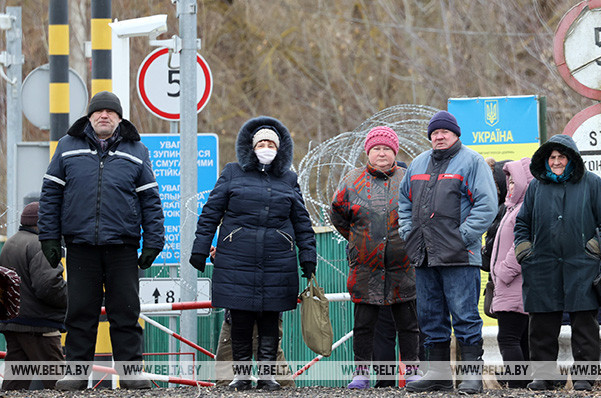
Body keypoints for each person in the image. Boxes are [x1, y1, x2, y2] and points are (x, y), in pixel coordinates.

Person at [38, 91, 164, 390]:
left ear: (119, 118)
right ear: (89, 116)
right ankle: (76, 373)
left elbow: (150, 200)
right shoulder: (67, 147)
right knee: (80, 312)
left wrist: (154, 241)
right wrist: (49, 237)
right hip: (81, 246)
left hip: (122, 246)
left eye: (110, 112)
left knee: (126, 313)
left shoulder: (137, 150)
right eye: (98, 111)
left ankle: (131, 372)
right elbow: (51, 195)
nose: (103, 116)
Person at [190, 116, 317, 391]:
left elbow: (302, 222)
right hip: (237, 258)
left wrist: (308, 256)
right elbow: (210, 212)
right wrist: (200, 249)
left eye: (271, 143)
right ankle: (241, 375)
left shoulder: (289, 179)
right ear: (251, 146)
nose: (266, 147)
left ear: (280, 148)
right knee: (241, 319)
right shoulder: (232, 173)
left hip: (277, 260)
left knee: (271, 319)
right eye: (261, 142)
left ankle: (268, 375)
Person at [398, 110, 498, 394]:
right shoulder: (417, 164)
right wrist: (408, 232)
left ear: (456, 134)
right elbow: (404, 203)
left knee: (465, 315)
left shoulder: (472, 162)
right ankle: (438, 375)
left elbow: (487, 205)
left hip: (459, 256)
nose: (439, 136)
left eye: (444, 132)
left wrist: (463, 237)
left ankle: (471, 377)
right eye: (434, 133)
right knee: (430, 317)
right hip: (424, 254)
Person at [513, 134, 601, 392]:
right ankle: (543, 376)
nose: (557, 161)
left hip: (581, 267)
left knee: (584, 324)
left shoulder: (591, 183)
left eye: (562, 157)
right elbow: (522, 223)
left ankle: (584, 377)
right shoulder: (536, 187)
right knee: (541, 326)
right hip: (541, 267)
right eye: (552, 157)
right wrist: (525, 250)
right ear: (546, 160)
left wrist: (593, 250)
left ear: (572, 158)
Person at [330, 126, 419, 389]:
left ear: (395, 152)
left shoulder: (408, 179)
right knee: (364, 324)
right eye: (377, 148)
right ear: (368, 152)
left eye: (387, 149)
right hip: (365, 269)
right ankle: (361, 373)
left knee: (408, 324)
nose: (382, 153)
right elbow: (338, 216)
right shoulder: (350, 181)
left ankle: (412, 370)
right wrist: (360, 242)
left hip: (403, 267)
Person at [0, 202, 67, 390]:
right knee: (59, 384)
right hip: (39, 326)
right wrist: (73, 299)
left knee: (14, 384)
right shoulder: (40, 245)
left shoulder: (10, 243)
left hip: (14, 323)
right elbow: (48, 286)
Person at [489, 158, 532, 389]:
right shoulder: (512, 208)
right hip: (512, 286)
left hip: (513, 284)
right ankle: (523, 385)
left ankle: (517, 386)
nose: (511, 186)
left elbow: (524, 245)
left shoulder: (523, 209)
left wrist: (503, 271)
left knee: (508, 338)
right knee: (520, 339)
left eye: (516, 182)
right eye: (510, 182)